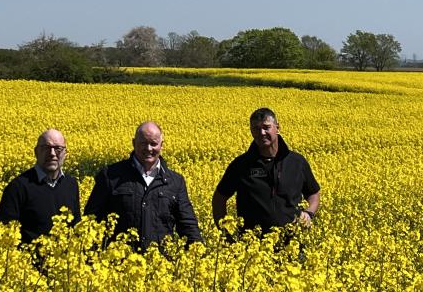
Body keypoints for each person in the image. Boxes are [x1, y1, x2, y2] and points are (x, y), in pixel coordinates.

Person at [84, 121, 202, 250]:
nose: (149, 149)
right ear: (134, 143)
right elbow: (92, 220)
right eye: (143, 143)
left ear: (161, 145)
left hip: (161, 266)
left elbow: (187, 224)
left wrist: (197, 255)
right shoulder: (110, 176)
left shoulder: (175, 181)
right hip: (118, 264)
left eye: (153, 144)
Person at [212, 107, 320, 235]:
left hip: (293, 243)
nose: (261, 133)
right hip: (252, 248)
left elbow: (313, 193)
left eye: (266, 127)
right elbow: (219, 198)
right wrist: (227, 232)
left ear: (277, 128)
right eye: (256, 129)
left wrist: (308, 213)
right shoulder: (241, 165)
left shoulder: (297, 162)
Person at [0, 128, 81, 244]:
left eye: (58, 149)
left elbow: (76, 226)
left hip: (66, 260)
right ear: (36, 152)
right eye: (46, 148)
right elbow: (3, 232)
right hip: (28, 260)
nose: (52, 154)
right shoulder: (18, 187)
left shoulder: (71, 184)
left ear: (65, 153)